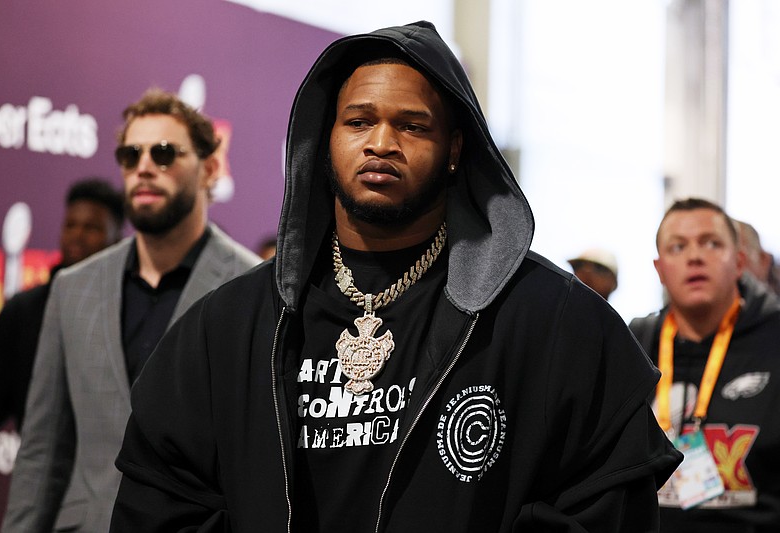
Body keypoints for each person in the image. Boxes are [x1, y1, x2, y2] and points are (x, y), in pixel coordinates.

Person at [110, 22, 681, 532]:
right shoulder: (226, 329)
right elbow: (162, 502)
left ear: (456, 149)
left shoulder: (555, 324)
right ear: (324, 139)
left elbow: (608, 507)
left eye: (412, 126)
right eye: (359, 121)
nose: (381, 143)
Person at [1, 89, 261, 533]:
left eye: (163, 153)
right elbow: (43, 451)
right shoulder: (72, 288)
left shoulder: (254, 289)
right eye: (130, 154)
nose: (143, 167)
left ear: (210, 168)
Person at [630, 198, 780, 532]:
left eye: (711, 243)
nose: (694, 256)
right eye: (677, 246)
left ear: (739, 262)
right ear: (660, 269)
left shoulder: (773, 340)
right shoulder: (630, 346)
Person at [0, 177, 124, 438]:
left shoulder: (129, 308)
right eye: (70, 225)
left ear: (117, 237)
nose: (77, 236)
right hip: (40, 465)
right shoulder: (24, 310)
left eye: (92, 227)